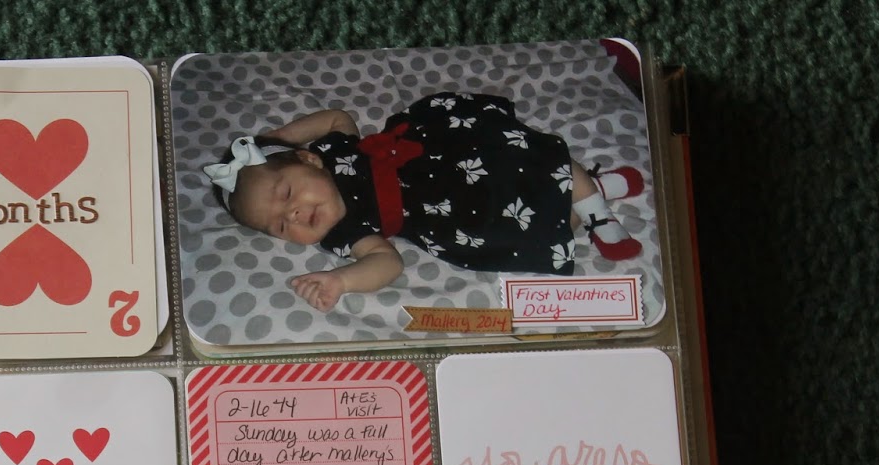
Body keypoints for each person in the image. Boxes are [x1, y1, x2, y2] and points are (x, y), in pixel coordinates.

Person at [203, 93, 646, 311]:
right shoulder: (342, 232)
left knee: (530, 156)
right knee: (543, 224)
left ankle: (599, 214)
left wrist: (279, 136)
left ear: (307, 160)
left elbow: (338, 116)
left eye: (286, 194)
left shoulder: (332, 151)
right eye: (282, 226)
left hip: (445, 153)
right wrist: (342, 280)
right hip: (454, 211)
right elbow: (388, 263)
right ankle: (591, 195)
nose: (295, 214)